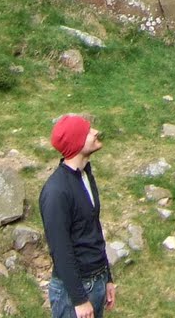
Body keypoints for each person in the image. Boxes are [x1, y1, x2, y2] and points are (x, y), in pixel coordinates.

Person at [40, 114, 116, 318]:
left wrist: (107, 277)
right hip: (74, 293)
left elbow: (93, 231)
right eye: (88, 131)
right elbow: (60, 249)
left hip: (96, 281)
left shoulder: (85, 175)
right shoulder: (56, 191)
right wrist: (79, 299)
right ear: (76, 142)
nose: (95, 132)